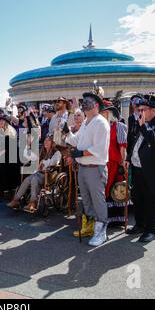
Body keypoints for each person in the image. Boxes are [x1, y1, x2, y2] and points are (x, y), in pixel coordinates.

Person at [64, 91, 110, 247]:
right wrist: (67, 132)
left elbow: (99, 148)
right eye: (83, 101)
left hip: (95, 167)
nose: (84, 104)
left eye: (88, 101)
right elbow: (75, 140)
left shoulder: (101, 123)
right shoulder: (85, 122)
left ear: (96, 105)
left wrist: (80, 152)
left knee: (98, 201)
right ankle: (90, 227)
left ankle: (101, 232)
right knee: (87, 200)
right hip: (83, 167)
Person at [125, 94, 155, 243]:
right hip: (137, 167)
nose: (140, 112)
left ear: (153, 110)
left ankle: (151, 230)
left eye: (143, 109)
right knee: (137, 198)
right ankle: (139, 225)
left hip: (151, 169)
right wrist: (127, 158)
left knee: (150, 201)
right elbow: (132, 141)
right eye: (139, 109)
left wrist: (144, 126)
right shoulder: (140, 121)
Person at [7, 134, 61, 212]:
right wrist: (28, 145)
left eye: (48, 140)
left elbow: (55, 162)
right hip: (39, 173)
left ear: (53, 143)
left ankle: (33, 202)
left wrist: (44, 162)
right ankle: (16, 200)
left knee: (34, 179)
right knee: (27, 180)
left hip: (49, 175)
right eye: (45, 140)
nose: (46, 142)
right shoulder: (41, 150)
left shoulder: (57, 152)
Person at [100, 100, 129, 226]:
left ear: (110, 113)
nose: (102, 115)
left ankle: (116, 220)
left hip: (115, 164)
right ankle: (103, 218)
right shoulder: (100, 127)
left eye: (104, 112)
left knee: (115, 190)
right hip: (102, 163)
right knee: (103, 191)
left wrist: (122, 163)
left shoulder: (119, 127)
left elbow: (123, 147)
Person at [0, 115, 20, 199]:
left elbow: (11, 148)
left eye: (2, 121)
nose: (0, 122)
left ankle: (8, 192)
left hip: (10, 156)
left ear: (6, 122)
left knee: (5, 169)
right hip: (1, 156)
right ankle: (1, 191)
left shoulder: (11, 132)